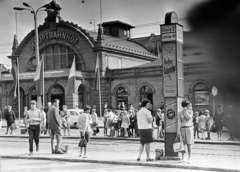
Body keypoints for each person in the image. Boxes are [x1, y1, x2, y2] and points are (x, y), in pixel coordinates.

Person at [177, 99, 194, 164]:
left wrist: (186, 111)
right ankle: (183, 158)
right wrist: (178, 130)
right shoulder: (180, 113)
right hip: (182, 128)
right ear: (185, 105)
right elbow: (179, 122)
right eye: (188, 105)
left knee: (189, 144)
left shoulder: (191, 111)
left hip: (189, 128)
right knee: (182, 144)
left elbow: (189, 118)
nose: (190, 105)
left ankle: (189, 158)